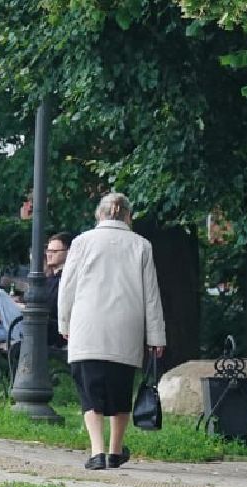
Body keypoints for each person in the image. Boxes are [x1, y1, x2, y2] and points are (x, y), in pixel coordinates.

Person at [57, 193, 166, 470]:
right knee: (120, 390)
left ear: (100, 214)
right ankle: (116, 451)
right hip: (125, 326)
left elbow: (66, 287)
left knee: (89, 391)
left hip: (87, 324)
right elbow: (151, 296)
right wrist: (156, 337)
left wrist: (64, 323)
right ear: (128, 216)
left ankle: (97, 451)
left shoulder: (81, 242)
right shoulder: (141, 245)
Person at [0, 232, 73, 348]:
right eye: (48, 251)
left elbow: (49, 309)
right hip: (27, 326)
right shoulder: (48, 280)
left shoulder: (66, 279)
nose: (49, 255)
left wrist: (20, 306)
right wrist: (16, 304)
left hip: (42, 331)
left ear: (68, 252)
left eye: (54, 252)